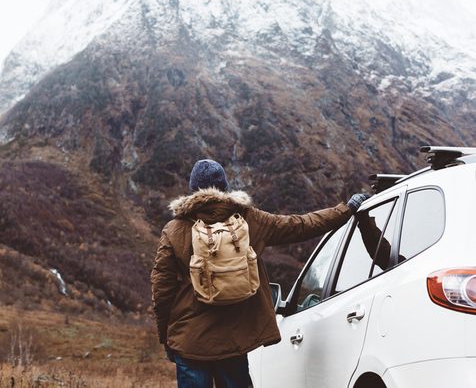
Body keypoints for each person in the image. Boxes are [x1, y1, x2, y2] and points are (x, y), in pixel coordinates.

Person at [151, 159, 370, 388]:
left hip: (190, 343)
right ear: (224, 188)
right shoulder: (247, 219)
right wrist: (345, 209)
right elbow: (301, 225)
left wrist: (166, 337)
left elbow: (161, 289)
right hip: (234, 342)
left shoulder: (175, 230)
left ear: (192, 190)